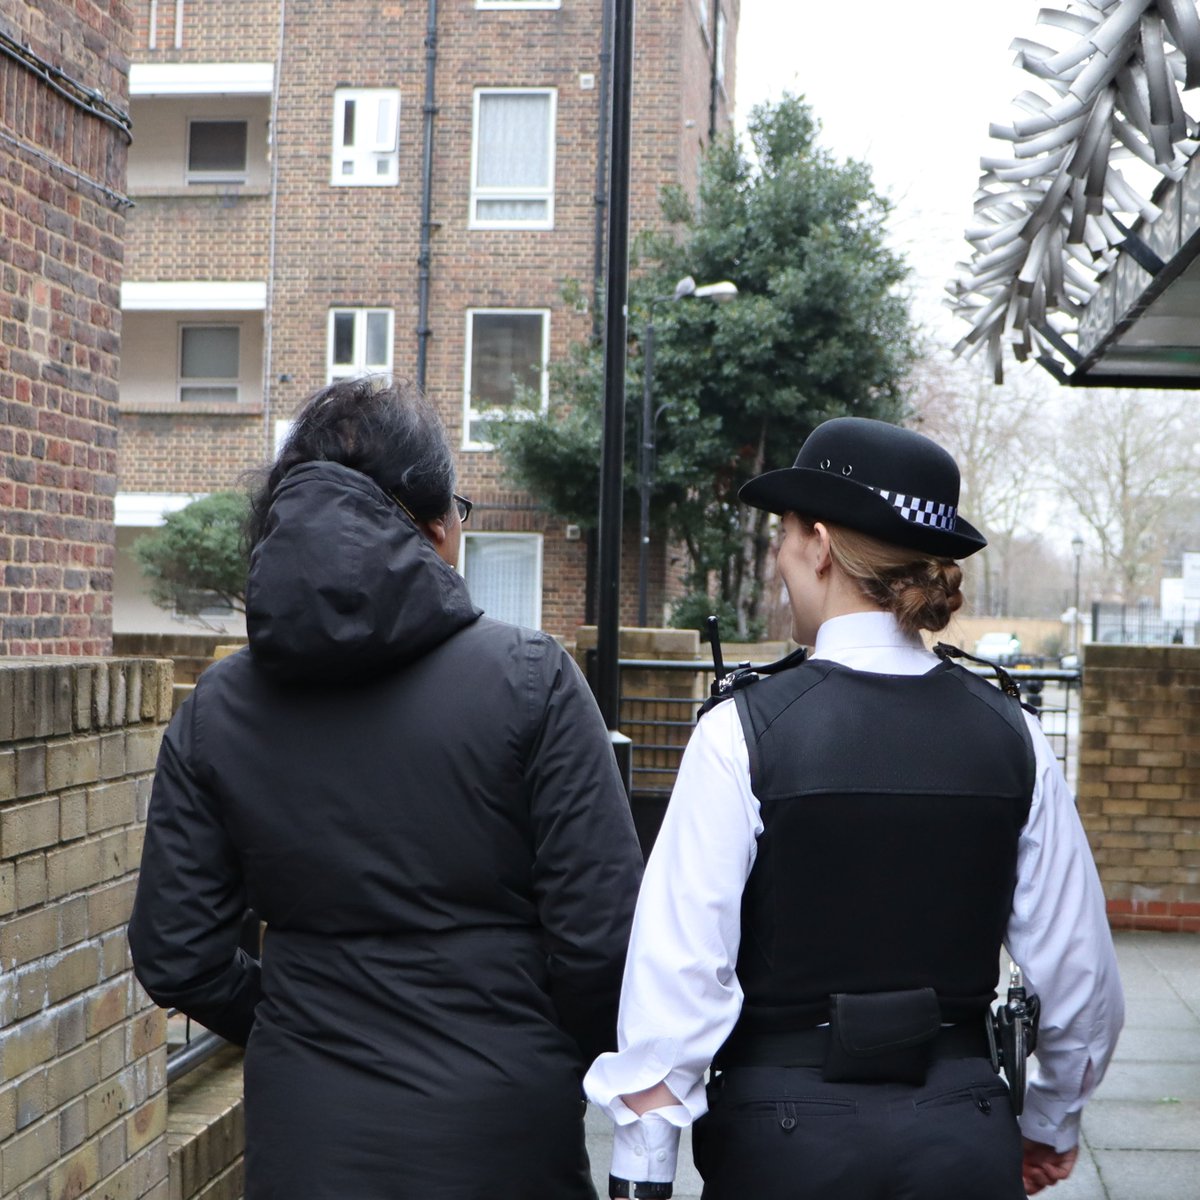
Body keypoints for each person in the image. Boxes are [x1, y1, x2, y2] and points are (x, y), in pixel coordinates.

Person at [128, 378, 643, 1200]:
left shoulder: (217, 711)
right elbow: (604, 942)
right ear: (435, 524)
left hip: (308, 1137)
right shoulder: (532, 681)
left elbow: (175, 951)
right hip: (501, 1135)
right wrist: (532, 1043)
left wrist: (297, 1022)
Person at [585, 416, 1123, 1200]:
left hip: (782, 1146)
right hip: (960, 1136)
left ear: (821, 545)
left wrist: (643, 1171)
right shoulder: (1015, 737)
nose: (777, 559)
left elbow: (677, 980)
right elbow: (1080, 979)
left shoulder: (742, 732)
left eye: (784, 535)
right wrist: (1049, 1122)